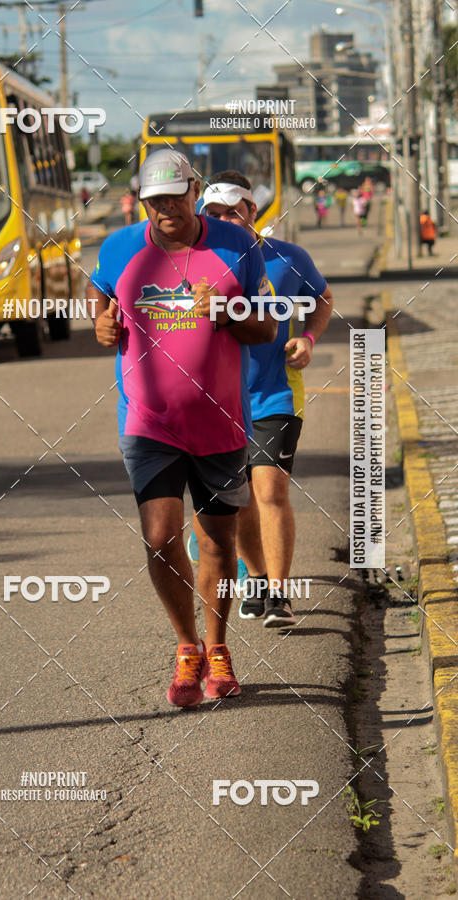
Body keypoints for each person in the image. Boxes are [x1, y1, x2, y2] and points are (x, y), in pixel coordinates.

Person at [88, 148, 276, 707]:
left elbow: (264, 330)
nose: (166, 207)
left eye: (175, 195)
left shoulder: (236, 245)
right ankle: (187, 645)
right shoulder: (120, 247)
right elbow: (100, 298)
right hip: (148, 421)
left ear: (195, 190)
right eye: (154, 199)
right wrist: (99, 322)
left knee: (218, 539)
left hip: (220, 421)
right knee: (159, 536)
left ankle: (218, 648)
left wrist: (227, 311)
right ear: (142, 200)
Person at [197, 170, 333, 626]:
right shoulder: (193, 266)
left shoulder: (287, 258)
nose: (224, 220)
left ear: (252, 211)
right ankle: (256, 577)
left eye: (232, 212)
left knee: (269, 489)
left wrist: (309, 338)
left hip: (275, 393)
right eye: (213, 214)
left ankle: (279, 594)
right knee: (242, 501)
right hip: (217, 402)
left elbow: (322, 296)